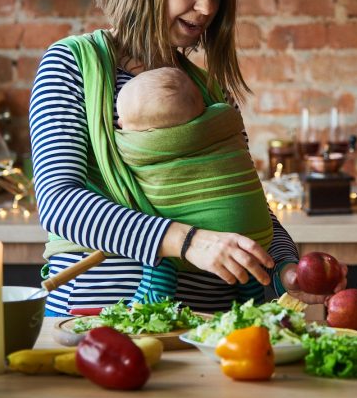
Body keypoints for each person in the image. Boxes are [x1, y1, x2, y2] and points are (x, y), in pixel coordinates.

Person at [30, 0, 344, 316]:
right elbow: (60, 203)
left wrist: (285, 267)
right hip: (101, 322)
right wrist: (189, 241)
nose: (207, 8)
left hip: (213, 332)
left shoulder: (211, 93)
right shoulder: (73, 65)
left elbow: (248, 206)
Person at [114, 66, 272, 304]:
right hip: (254, 237)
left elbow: (122, 152)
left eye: (123, 121)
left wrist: (286, 262)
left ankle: (152, 300)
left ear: (151, 133)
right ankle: (255, 303)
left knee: (158, 259)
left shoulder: (142, 146)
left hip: (187, 261)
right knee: (250, 281)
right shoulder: (222, 120)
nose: (120, 123)